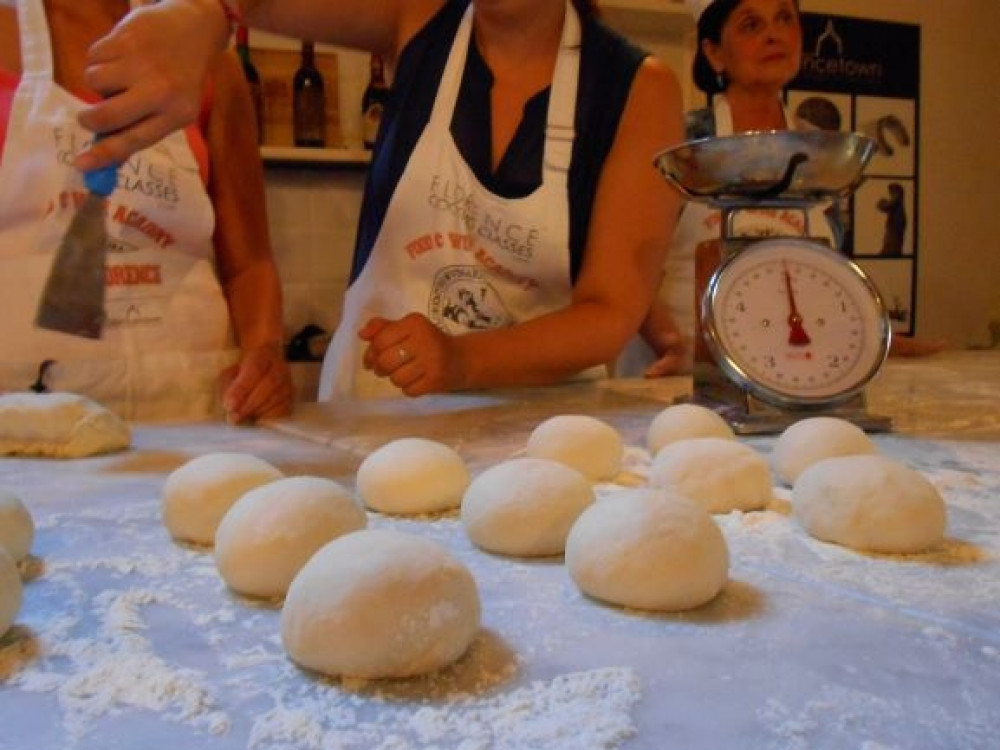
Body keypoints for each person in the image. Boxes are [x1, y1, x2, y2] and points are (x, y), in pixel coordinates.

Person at [71, 0, 685, 399]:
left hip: (544, 445)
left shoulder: (640, 89)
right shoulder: (416, 18)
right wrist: (201, 19)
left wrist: (463, 361)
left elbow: (609, 313)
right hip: (374, 420)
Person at [0, 0, 293, 421]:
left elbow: (250, 264)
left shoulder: (207, 61)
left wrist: (264, 352)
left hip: (193, 410)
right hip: (26, 414)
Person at [629, 0, 944, 373]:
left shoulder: (824, 154)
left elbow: (828, 275)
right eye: (751, 25)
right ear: (714, 53)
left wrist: (878, 337)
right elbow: (631, 265)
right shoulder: (683, 145)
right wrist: (672, 344)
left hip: (796, 370)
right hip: (682, 372)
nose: (773, 34)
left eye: (784, 19)